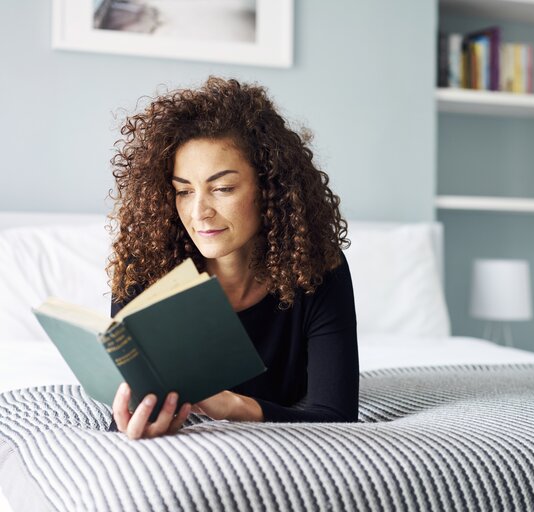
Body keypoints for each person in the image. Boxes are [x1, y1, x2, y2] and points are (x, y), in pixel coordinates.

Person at [106, 76, 359, 440]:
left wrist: (233, 407)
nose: (199, 212)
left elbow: (335, 415)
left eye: (222, 189)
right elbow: (129, 405)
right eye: (183, 191)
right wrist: (135, 421)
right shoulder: (147, 268)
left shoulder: (316, 266)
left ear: (272, 187)